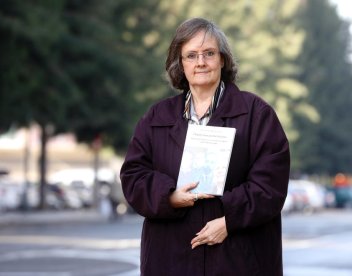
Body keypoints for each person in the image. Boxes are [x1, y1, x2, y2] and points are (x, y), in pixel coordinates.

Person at [120, 17, 290, 275]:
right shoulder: (157, 117)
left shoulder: (257, 114)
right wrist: (169, 197)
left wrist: (230, 222)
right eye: (191, 55)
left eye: (209, 53)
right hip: (171, 258)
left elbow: (270, 185)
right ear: (180, 64)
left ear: (222, 59)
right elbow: (133, 176)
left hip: (238, 259)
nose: (200, 62)